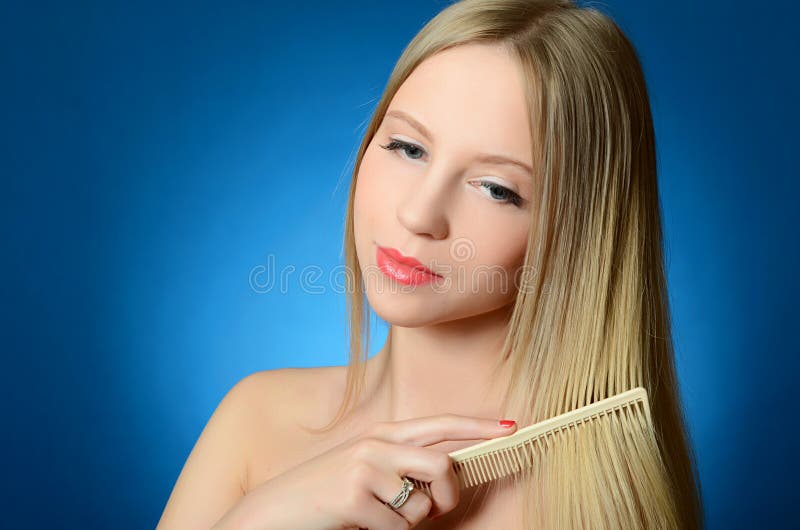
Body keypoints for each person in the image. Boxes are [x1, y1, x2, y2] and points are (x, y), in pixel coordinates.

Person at [157, 1, 703, 528]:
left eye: (496, 188)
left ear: (580, 232)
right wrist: (256, 519)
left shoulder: (591, 506)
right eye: (408, 148)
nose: (419, 214)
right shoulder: (255, 421)